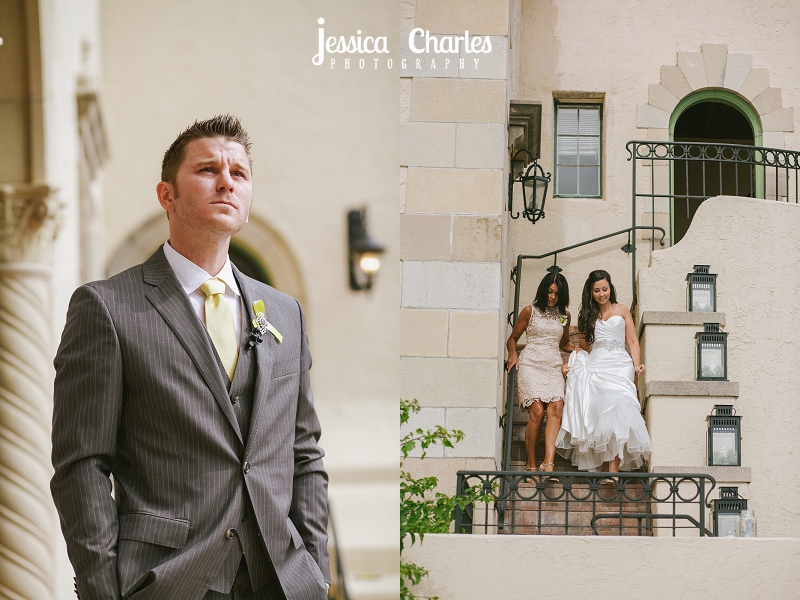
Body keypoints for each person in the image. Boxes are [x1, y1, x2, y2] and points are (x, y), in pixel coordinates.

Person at [50, 115, 330, 600]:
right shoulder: (108, 307)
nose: (227, 181)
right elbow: (83, 465)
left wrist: (315, 572)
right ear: (167, 195)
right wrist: (101, 589)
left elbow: (303, 454)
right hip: (166, 579)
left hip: (281, 582)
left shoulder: (284, 311)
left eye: (239, 174)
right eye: (207, 170)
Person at [556, 270, 651, 472]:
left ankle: (613, 470)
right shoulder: (587, 316)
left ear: (611, 288)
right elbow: (584, 347)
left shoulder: (622, 309)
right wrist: (575, 365)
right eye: (597, 290)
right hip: (598, 364)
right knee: (603, 416)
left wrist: (636, 364)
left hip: (621, 364)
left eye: (605, 289)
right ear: (591, 292)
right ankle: (608, 466)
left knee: (620, 410)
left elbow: (633, 341)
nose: (601, 294)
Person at [506, 272, 577, 472]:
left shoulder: (564, 316)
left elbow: (563, 343)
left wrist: (577, 349)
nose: (552, 297)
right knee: (537, 412)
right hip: (531, 364)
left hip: (553, 365)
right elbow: (513, 338)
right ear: (543, 290)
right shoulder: (529, 311)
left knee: (556, 409)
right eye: (549, 291)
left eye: (556, 293)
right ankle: (530, 465)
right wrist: (513, 354)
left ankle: (548, 464)